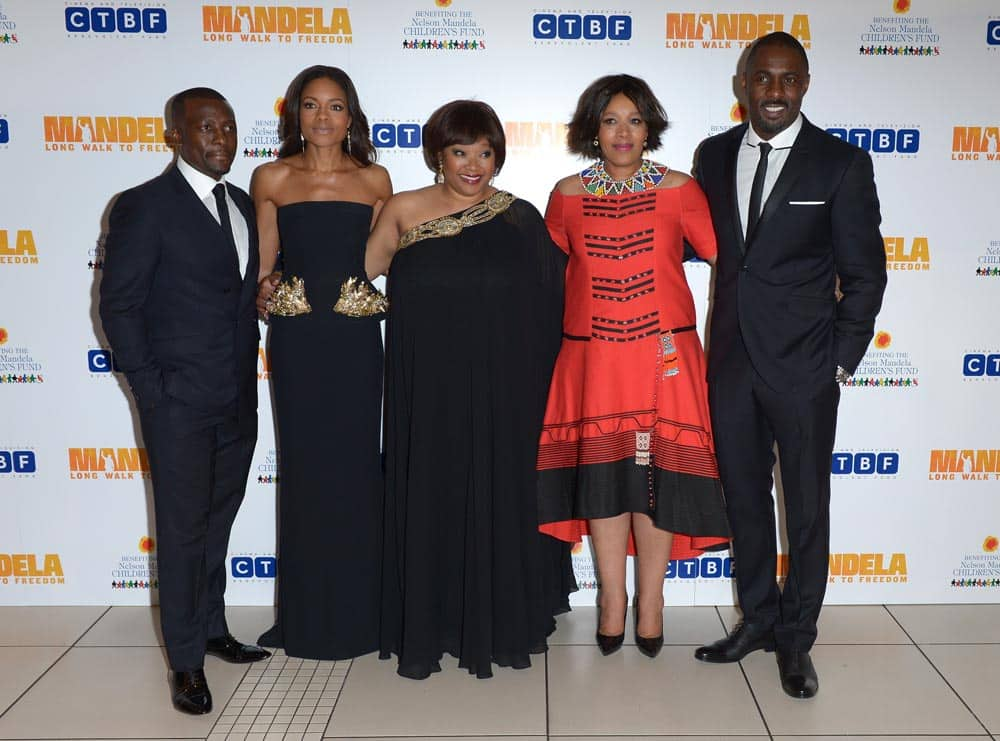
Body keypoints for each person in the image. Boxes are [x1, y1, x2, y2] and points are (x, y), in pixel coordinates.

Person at [692, 32, 887, 698]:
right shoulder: (713, 155)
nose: (776, 92)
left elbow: (865, 273)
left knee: (805, 507)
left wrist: (840, 359)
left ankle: (797, 640)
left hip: (805, 365)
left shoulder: (840, 163)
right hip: (731, 362)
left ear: (805, 84)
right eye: (764, 78)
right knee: (743, 498)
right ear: (743, 81)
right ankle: (758, 618)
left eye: (789, 80)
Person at [366, 100, 575, 680]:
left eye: (486, 153)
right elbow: (362, 277)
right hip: (429, 394)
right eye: (461, 152)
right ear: (438, 154)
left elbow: (556, 302)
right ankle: (431, 619)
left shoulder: (520, 217)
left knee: (502, 492)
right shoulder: (403, 210)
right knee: (433, 489)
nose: (474, 165)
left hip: (510, 393)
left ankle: (506, 615)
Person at [536, 75, 730, 659]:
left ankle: (652, 606)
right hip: (592, 360)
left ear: (651, 128)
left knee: (656, 484)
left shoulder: (681, 189)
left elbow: (726, 256)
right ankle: (611, 606)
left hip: (663, 364)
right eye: (611, 120)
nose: (623, 132)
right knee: (604, 483)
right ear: (593, 128)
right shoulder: (566, 193)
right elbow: (550, 273)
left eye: (635, 120)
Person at [99, 87, 269, 715]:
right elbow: (119, 306)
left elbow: (236, 293)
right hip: (177, 403)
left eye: (227, 126)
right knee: (180, 530)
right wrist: (151, 390)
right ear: (175, 136)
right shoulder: (145, 206)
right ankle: (186, 662)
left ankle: (213, 628)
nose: (221, 138)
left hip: (236, 398)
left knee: (218, 521)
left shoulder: (245, 203)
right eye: (205, 129)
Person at [252, 66, 391, 660]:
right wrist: (263, 291)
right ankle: (304, 617)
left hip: (357, 341)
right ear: (296, 116)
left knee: (359, 467)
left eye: (336, 107)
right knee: (306, 470)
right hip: (299, 340)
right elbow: (262, 266)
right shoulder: (271, 177)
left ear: (352, 116)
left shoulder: (376, 179)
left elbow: (387, 260)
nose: (324, 118)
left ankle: (366, 615)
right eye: (312, 106)